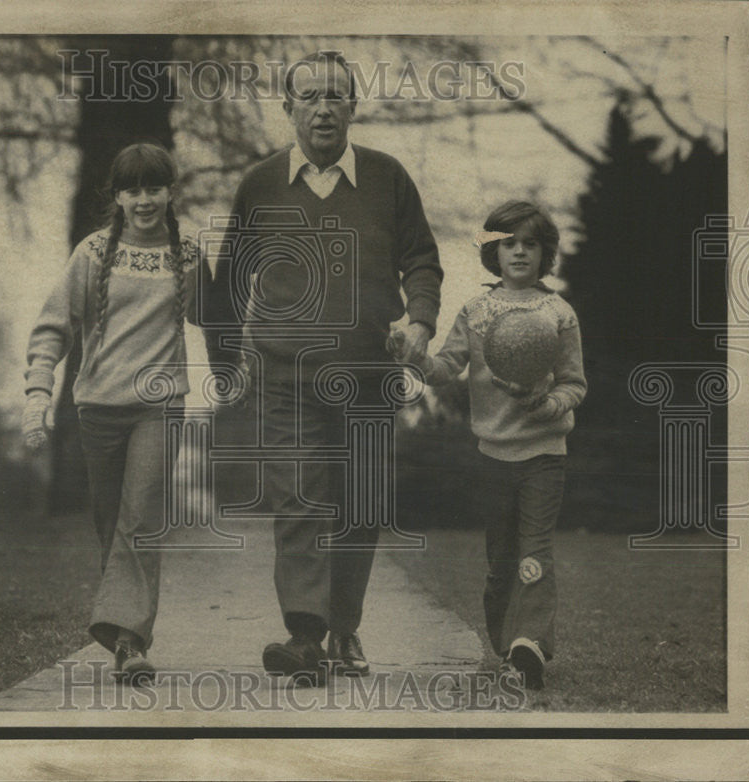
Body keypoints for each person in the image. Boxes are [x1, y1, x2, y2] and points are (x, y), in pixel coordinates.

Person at [204, 51, 443, 682]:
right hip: (286, 375)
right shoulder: (259, 184)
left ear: (354, 108)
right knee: (300, 498)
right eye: (310, 96)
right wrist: (226, 364)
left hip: (370, 373)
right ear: (289, 109)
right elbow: (229, 283)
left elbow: (422, 258)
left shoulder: (388, 179)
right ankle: (305, 637)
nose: (324, 107)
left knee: (361, 503)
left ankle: (343, 631)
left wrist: (419, 319)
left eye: (336, 95)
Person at [21, 143, 202, 684]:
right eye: (132, 189)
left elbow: (222, 317)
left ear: (171, 192)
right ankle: (126, 628)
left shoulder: (188, 254)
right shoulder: (93, 252)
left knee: (139, 519)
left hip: (160, 405)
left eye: (154, 188)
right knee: (111, 524)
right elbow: (54, 325)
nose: (144, 200)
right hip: (98, 406)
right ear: (118, 196)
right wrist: (37, 394)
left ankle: (128, 641)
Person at [402, 200, 586, 689]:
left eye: (530, 244)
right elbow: (445, 368)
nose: (520, 252)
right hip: (492, 456)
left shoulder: (558, 313)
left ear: (545, 253)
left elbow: (574, 385)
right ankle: (507, 646)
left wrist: (547, 405)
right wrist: (416, 359)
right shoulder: (477, 312)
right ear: (494, 252)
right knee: (500, 561)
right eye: (509, 244)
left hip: (545, 455)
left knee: (535, 551)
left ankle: (530, 648)